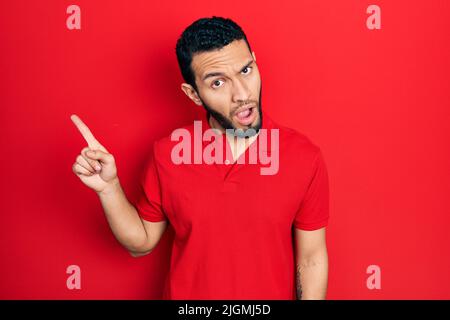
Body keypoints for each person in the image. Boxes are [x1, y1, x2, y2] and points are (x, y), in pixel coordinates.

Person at [71, 16, 330, 300]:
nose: (242, 94)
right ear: (193, 94)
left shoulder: (304, 157)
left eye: (246, 70)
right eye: (218, 82)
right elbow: (141, 243)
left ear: (255, 62)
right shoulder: (168, 154)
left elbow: (311, 258)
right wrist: (109, 189)